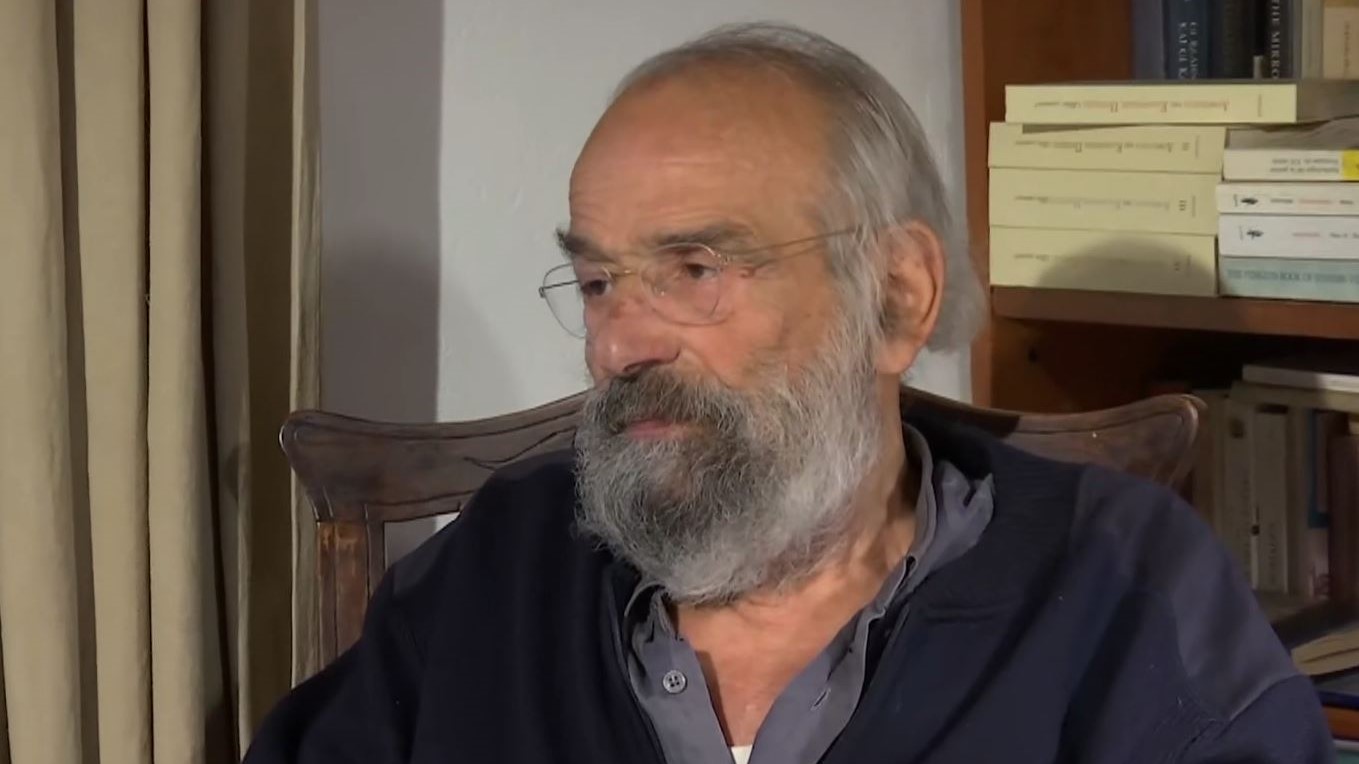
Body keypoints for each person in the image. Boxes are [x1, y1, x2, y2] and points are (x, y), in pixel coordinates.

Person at [245, 22, 1331, 764]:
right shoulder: (497, 570)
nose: (620, 342)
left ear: (896, 297)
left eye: (695, 269)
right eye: (597, 281)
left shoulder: (1116, 583)